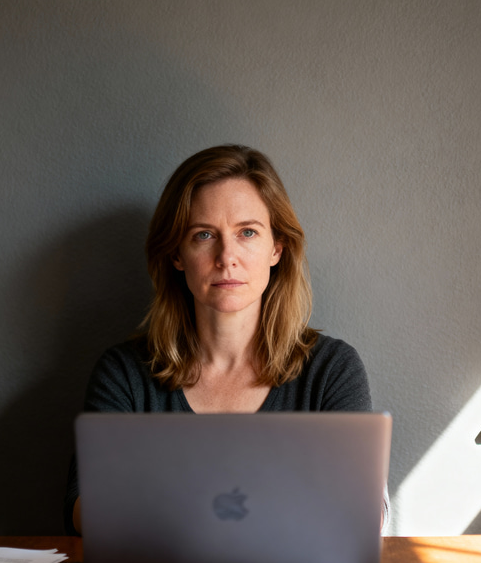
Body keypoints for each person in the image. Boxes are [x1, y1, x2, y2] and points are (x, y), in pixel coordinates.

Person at [64, 144, 381, 535]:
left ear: (276, 248)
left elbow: (364, 515)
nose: (226, 256)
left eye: (247, 232)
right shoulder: (124, 374)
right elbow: (86, 510)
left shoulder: (331, 370)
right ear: (177, 254)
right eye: (203, 235)